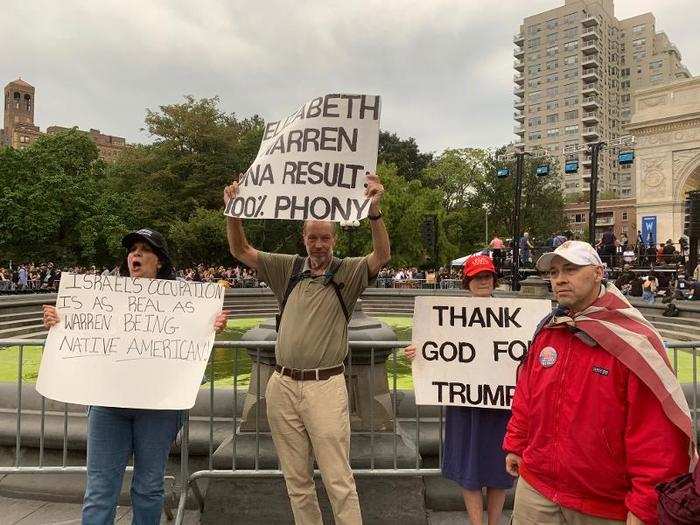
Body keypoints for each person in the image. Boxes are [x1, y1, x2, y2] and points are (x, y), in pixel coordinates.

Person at [224, 174, 390, 524]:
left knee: (338, 479)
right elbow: (240, 250)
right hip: (282, 385)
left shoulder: (349, 271)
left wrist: (374, 212)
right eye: (312, 237)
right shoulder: (288, 267)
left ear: (334, 238)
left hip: (325, 386)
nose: (318, 244)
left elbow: (382, 255)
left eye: (325, 237)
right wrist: (233, 213)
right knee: (296, 481)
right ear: (303, 238)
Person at [42, 229, 228, 524]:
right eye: (132, 250)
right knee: (100, 490)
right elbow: (82, 334)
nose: (135, 255)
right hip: (107, 405)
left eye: (144, 249)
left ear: (160, 262)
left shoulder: (186, 300)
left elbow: (192, 344)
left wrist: (210, 324)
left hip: (159, 408)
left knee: (149, 487)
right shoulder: (102, 297)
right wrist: (58, 322)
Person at [503, 240, 693, 525]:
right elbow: (527, 396)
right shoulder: (549, 329)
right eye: (554, 272)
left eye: (570, 269)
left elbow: (655, 434)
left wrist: (645, 505)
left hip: (604, 505)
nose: (560, 279)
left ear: (598, 272)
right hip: (536, 487)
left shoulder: (635, 340)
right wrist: (516, 444)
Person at [404, 254, 512, 525]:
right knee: (468, 466)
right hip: (464, 404)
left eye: (487, 276)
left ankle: (495, 522)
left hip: (499, 405)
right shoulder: (447, 318)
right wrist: (416, 352)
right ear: (467, 282)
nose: (483, 282)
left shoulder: (513, 319)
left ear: (494, 280)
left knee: (499, 467)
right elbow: (434, 350)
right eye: (477, 277)